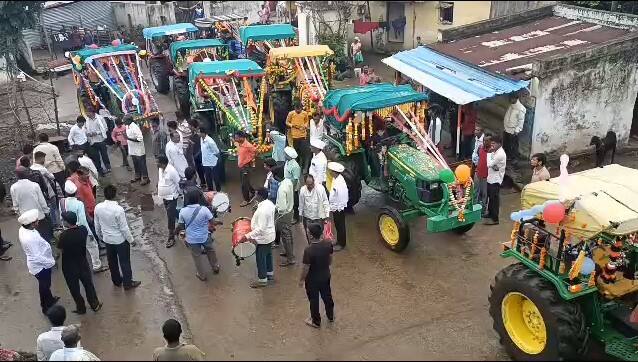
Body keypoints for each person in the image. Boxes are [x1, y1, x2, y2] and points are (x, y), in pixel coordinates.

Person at [94, 185, 141, 289]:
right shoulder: (118, 210)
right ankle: (128, 283)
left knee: (112, 262)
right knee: (124, 262)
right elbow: (124, 228)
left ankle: (116, 281)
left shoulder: (98, 207)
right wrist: (131, 240)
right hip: (120, 240)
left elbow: (97, 225)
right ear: (115, 195)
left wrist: (101, 236)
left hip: (108, 240)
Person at [57, 211, 102, 315]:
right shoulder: (83, 229)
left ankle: (81, 308)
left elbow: (60, 249)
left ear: (67, 222)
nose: (62, 221)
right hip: (82, 262)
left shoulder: (63, 236)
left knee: (74, 289)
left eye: (64, 220)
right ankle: (94, 304)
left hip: (69, 266)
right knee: (88, 285)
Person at [17, 209, 58, 314]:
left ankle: (49, 300)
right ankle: (46, 307)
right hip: (41, 266)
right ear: (31, 224)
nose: (38, 222)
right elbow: (37, 257)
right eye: (36, 221)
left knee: (44, 285)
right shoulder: (29, 238)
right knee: (45, 285)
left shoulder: (24, 230)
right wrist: (51, 262)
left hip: (40, 263)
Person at [60, 180, 105, 273]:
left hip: (68, 230)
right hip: (80, 229)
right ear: (76, 192)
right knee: (93, 246)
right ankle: (97, 266)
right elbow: (83, 221)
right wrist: (89, 233)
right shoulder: (79, 203)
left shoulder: (61, 202)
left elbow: (61, 217)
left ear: (66, 192)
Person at [176, 190, 221, 281]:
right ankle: (215, 267)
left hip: (192, 239)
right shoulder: (204, 209)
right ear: (198, 199)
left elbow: (180, 226)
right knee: (210, 251)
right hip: (205, 236)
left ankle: (202, 275)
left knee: (197, 257)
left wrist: (175, 232)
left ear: (187, 199)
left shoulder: (183, 211)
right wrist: (219, 222)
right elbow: (213, 222)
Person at [299, 222, 334, 328]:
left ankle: (316, 321)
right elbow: (330, 258)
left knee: (314, 300)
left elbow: (306, 267)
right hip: (325, 275)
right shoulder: (328, 244)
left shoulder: (308, 250)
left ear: (310, 235)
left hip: (312, 280)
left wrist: (301, 280)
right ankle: (330, 316)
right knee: (327, 296)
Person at [240, 187, 276, 288]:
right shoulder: (270, 204)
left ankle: (262, 280)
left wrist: (247, 236)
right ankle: (269, 273)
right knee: (268, 255)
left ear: (259, 196)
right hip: (270, 235)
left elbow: (261, 229)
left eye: (256, 194)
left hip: (263, 238)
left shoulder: (262, 211)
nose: (255, 196)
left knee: (260, 258)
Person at [12, 167, 52, 242]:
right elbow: (42, 201)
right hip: (38, 216)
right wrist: (46, 212)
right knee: (44, 237)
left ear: (17, 176)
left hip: (26, 219)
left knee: (31, 239)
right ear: (27, 174)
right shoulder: (35, 185)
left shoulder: (13, 188)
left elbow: (15, 205)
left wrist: (20, 215)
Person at [31, 151, 61, 228]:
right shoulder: (42, 169)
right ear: (40, 158)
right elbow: (52, 177)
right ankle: (56, 224)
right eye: (44, 158)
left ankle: (48, 224)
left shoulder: (31, 168)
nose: (44, 160)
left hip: (38, 193)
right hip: (48, 191)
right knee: (54, 207)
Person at [157, 156, 181, 248]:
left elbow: (178, 183)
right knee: (172, 214)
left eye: (158, 162)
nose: (156, 164)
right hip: (164, 197)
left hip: (172, 198)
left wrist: (179, 194)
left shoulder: (172, 171)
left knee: (170, 217)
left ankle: (171, 237)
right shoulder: (160, 169)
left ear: (163, 163)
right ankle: (184, 224)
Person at [299, 174, 330, 242]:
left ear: (314, 181)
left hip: (318, 217)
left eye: (312, 184)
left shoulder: (320, 188)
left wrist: (327, 215)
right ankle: (311, 246)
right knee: (309, 234)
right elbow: (301, 203)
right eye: (308, 185)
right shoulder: (302, 190)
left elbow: (325, 201)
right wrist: (300, 215)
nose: (311, 186)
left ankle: (319, 247)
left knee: (319, 235)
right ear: (305, 183)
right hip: (307, 217)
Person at [485, 135, 507, 226]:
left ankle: (495, 219)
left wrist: (489, 154)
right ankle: (490, 213)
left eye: (494, 143)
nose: (491, 145)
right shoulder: (495, 151)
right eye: (491, 143)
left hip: (496, 180)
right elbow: (491, 165)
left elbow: (489, 164)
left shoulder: (500, 154)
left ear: (499, 144)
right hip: (491, 178)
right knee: (490, 197)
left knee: (494, 199)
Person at [275, 166, 295, 266]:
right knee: (289, 234)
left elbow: (282, 207)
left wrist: (276, 209)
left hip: (284, 214)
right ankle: (289, 252)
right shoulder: (288, 181)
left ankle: (290, 258)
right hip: (290, 210)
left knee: (285, 235)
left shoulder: (281, 189)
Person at [328, 162, 348, 251]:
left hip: (338, 208)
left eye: (331, 171)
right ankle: (338, 241)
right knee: (337, 225)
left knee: (340, 226)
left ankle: (342, 244)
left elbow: (343, 196)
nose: (330, 172)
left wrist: (338, 208)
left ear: (335, 172)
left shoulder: (340, 182)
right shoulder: (336, 179)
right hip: (335, 207)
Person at [84, 108, 111, 175]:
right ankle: (100, 170)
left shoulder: (100, 118)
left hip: (100, 140)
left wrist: (97, 132)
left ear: (92, 112)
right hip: (92, 141)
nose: (87, 114)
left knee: (104, 155)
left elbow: (105, 128)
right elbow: (85, 129)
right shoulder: (87, 120)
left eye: (88, 112)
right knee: (96, 157)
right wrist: (87, 133)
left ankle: (108, 167)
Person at [125, 115, 150, 185]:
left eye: (125, 120)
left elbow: (140, 138)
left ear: (129, 120)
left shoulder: (135, 127)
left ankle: (146, 178)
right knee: (135, 163)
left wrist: (128, 138)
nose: (124, 121)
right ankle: (138, 176)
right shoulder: (127, 126)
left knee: (142, 164)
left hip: (139, 150)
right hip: (132, 149)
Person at [235, 131, 256, 207]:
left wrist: (248, 160)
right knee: (245, 181)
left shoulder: (248, 145)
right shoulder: (240, 144)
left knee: (244, 184)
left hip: (245, 167)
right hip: (241, 166)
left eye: (237, 137)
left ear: (242, 138)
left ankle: (246, 200)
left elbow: (254, 152)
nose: (235, 139)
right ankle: (253, 191)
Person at [286, 104, 310, 172]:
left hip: (302, 135)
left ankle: (302, 165)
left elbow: (306, 121)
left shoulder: (305, 113)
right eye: (297, 109)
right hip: (294, 135)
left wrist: (305, 126)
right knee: (296, 151)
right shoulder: (291, 113)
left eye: (300, 109)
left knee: (303, 151)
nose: (298, 111)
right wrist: (292, 125)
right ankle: (296, 164)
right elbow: (287, 122)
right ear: (295, 108)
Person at [503, 94, 526, 161]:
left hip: (513, 130)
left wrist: (517, 130)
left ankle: (515, 160)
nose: (510, 100)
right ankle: (508, 157)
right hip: (506, 129)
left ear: (516, 98)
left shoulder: (521, 108)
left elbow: (521, 121)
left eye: (511, 99)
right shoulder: (511, 106)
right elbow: (507, 116)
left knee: (514, 146)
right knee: (506, 144)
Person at [473, 134, 491, 211]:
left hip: (486, 176)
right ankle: (473, 208)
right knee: (475, 191)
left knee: (484, 194)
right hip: (477, 173)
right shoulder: (480, 148)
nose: (485, 142)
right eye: (484, 140)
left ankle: (483, 210)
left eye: (487, 141)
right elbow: (477, 155)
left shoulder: (492, 151)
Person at [283, 147, 301, 223]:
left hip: (293, 187)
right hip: (287, 185)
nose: (284, 155)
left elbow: (295, 179)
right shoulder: (287, 162)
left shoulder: (295, 166)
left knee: (295, 203)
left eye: (285, 154)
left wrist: (292, 190)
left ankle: (296, 218)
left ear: (289, 156)